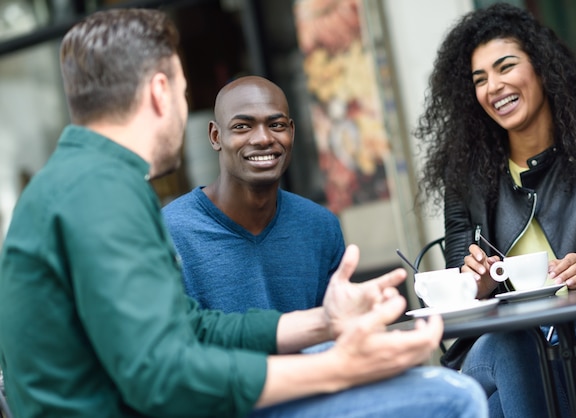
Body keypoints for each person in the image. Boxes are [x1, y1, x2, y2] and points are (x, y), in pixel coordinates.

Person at [0, 8, 489, 418]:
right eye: (183, 87)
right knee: (453, 397)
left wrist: (323, 321)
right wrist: (340, 366)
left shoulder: (76, 181)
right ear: (158, 92)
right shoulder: (100, 194)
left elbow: (192, 328)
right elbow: (163, 375)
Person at [415, 2, 576, 417]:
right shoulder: (468, 183)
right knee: (512, 346)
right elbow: (460, 285)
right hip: (503, 343)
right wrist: (473, 283)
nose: (493, 86)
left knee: (496, 408)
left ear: (542, 68)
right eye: (480, 79)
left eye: (505, 67)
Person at [162, 75, 345, 314]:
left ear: (291, 132)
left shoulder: (320, 227)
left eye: (276, 125)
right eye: (242, 126)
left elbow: (338, 332)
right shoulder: (169, 232)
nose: (263, 139)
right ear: (215, 136)